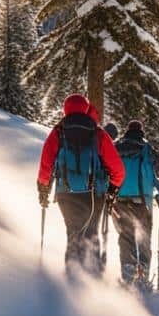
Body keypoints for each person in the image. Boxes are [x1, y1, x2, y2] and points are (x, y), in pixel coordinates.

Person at [36, 94, 125, 276]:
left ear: (65, 109)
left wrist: (43, 189)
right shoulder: (98, 133)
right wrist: (112, 189)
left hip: (65, 194)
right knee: (91, 233)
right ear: (86, 108)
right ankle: (93, 281)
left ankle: (73, 280)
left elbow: (46, 163)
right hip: (94, 195)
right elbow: (118, 169)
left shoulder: (58, 132)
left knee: (73, 233)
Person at [112, 120, 159, 288]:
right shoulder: (146, 148)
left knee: (125, 236)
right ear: (141, 132)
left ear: (126, 131)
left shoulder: (117, 147)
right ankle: (142, 275)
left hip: (119, 200)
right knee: (143, 239)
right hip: (142, 202)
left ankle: (128, 274)